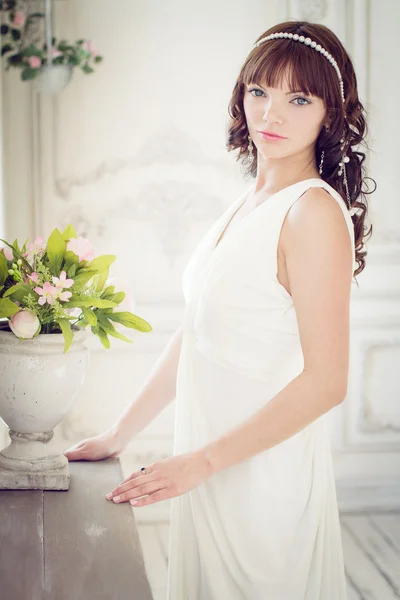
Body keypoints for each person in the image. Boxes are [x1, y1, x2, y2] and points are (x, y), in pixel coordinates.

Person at [65, 20, 374, 600]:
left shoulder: (312, 214)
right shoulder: (252, 200)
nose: (272, 115)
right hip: (208, 463)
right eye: (260, 92)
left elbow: (327, 382)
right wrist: (119, 432)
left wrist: (201, 464)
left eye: (298, 99)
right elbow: (198, 330)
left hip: (260, 479)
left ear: (330, 115)